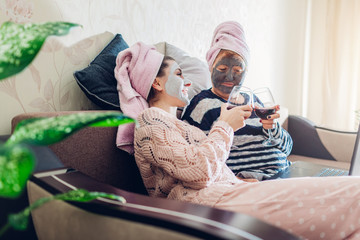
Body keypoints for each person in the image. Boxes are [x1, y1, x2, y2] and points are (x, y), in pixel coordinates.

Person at [114, 41, 360, 240]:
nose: (187, 81)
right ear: (156, 82)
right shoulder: (150, 120)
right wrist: (224, 126)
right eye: (178, 74)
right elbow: (199, 171)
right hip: (213, 205)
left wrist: (242, 181)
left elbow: (209, 166)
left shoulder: (182, 126)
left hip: (237, 192)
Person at [181, 21, 293, 180]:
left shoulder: (255, 101)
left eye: (237, 70)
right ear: (211, 67)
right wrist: (235, 181)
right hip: (249, 182)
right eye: (222, 69)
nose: (230, 77)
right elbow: (200, 158)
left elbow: (287, 149)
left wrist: (274, 129)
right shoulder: (201, 104)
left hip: (285, 174)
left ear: (246, 72)